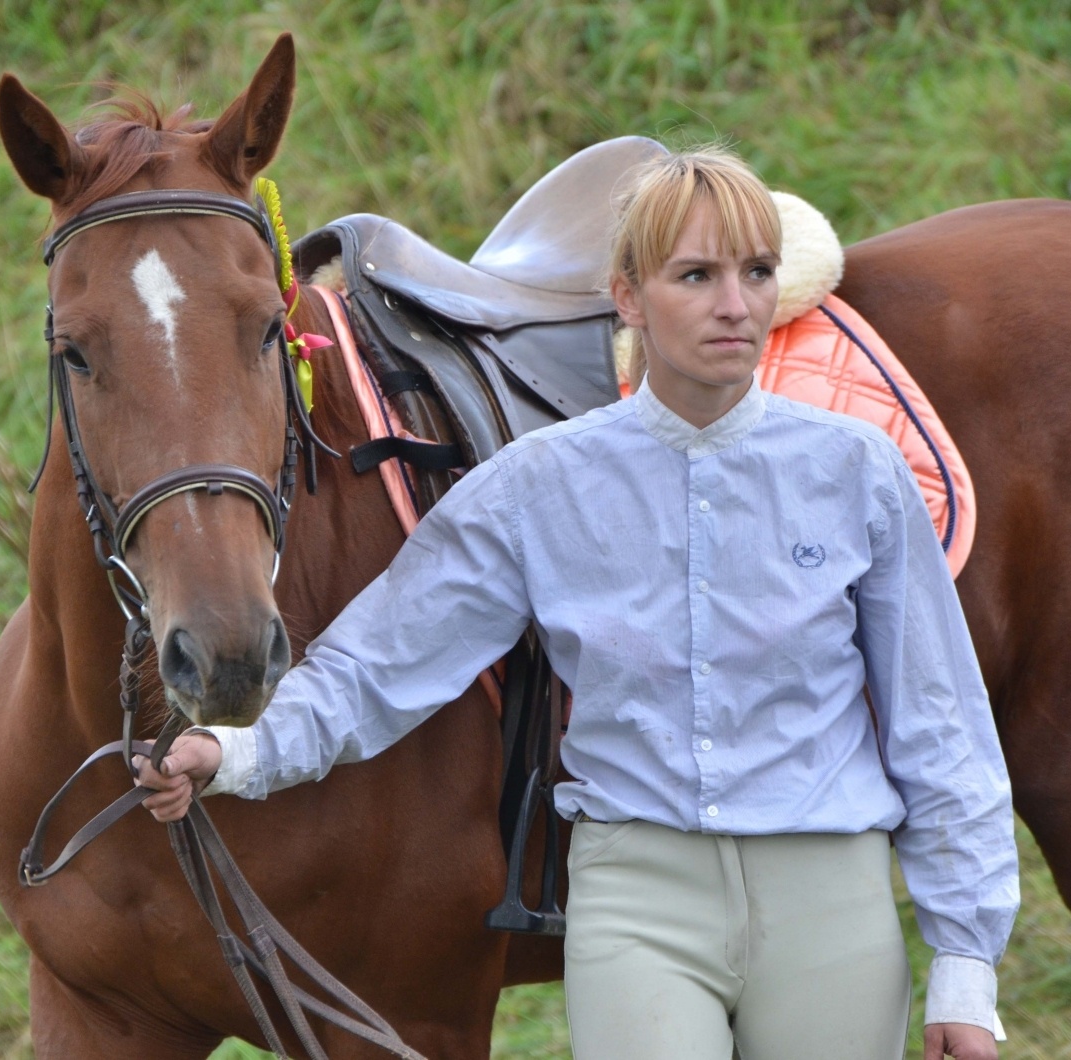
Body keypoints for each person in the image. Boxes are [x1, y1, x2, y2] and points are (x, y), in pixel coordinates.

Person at [137, 147, 1018, 1060]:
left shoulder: (859, 472)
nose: (735, 305)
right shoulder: (536, 488)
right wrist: (235, 752)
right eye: (697, 276)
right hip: (638, 901)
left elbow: (937, 717)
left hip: (828, 895)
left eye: (756, 273)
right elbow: (379, 664)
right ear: (627, 297)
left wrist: (965, 961)